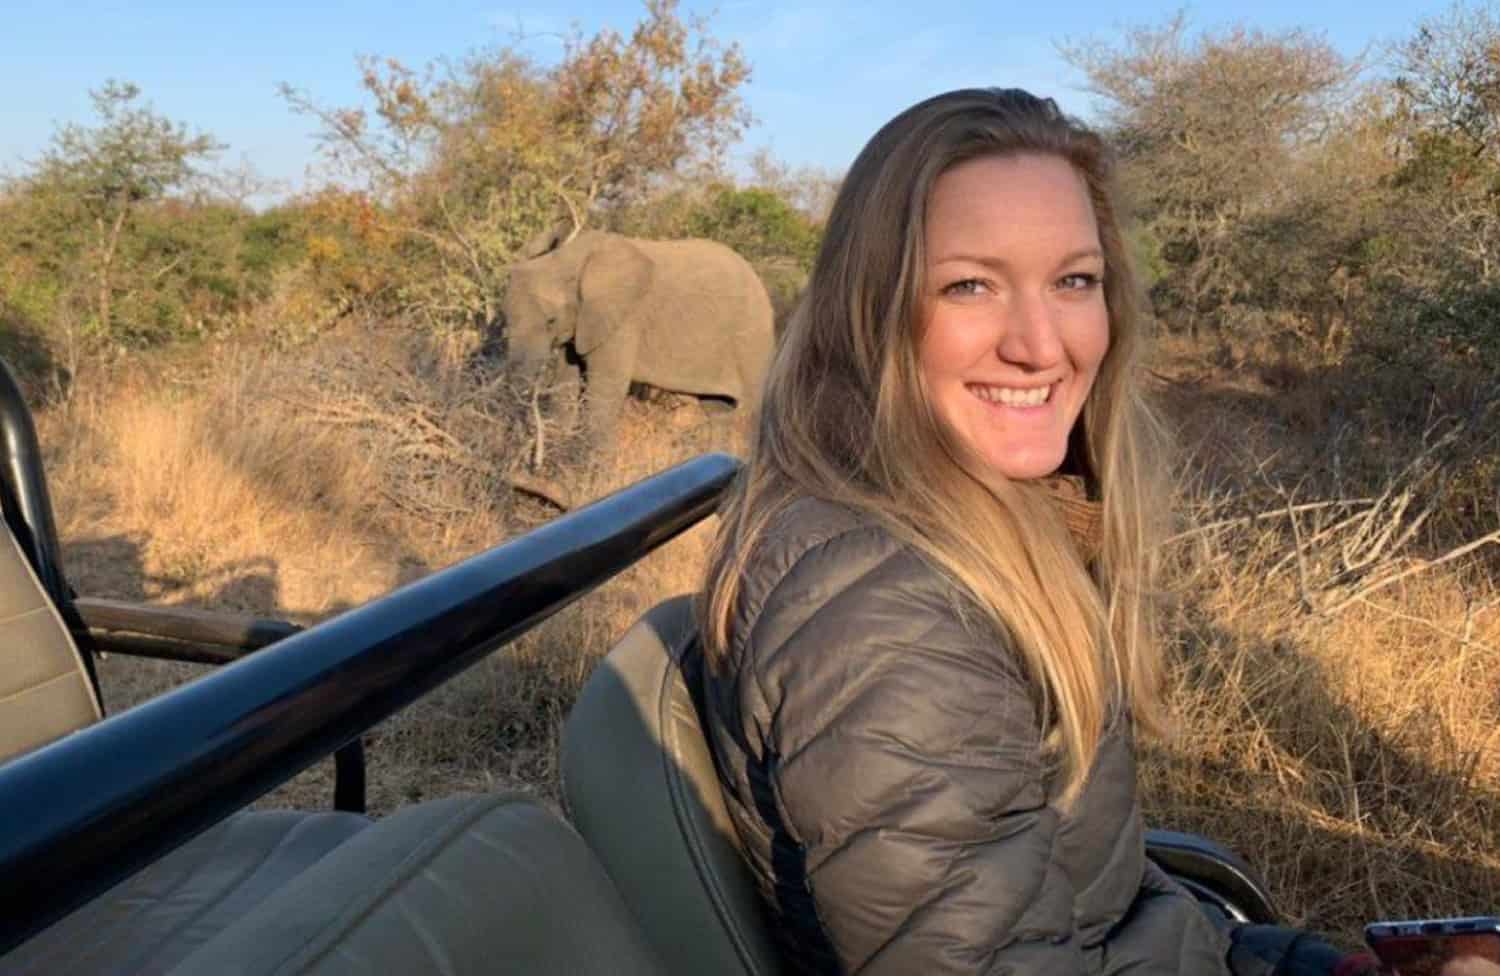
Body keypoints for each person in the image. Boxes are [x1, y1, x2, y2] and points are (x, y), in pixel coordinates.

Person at [694, 88, 1473, 975]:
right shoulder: (888, 615)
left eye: (1074, 281)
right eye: (969, 285)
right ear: (868, 310)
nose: (1041, 343)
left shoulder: (987, 521)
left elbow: (1108, 914)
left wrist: (1319, 971)